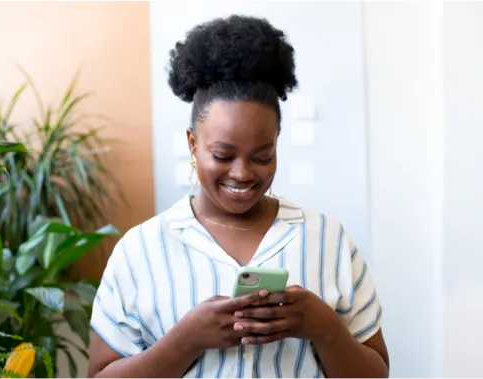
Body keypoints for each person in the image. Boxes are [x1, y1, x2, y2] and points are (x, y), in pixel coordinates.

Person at [87, 15, 389, 379]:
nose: (243, 173)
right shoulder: (140, 251)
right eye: (223, 155)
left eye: (262, 156)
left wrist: (325, 328)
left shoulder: (328, 240)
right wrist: (186, 340)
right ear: (193, 144)